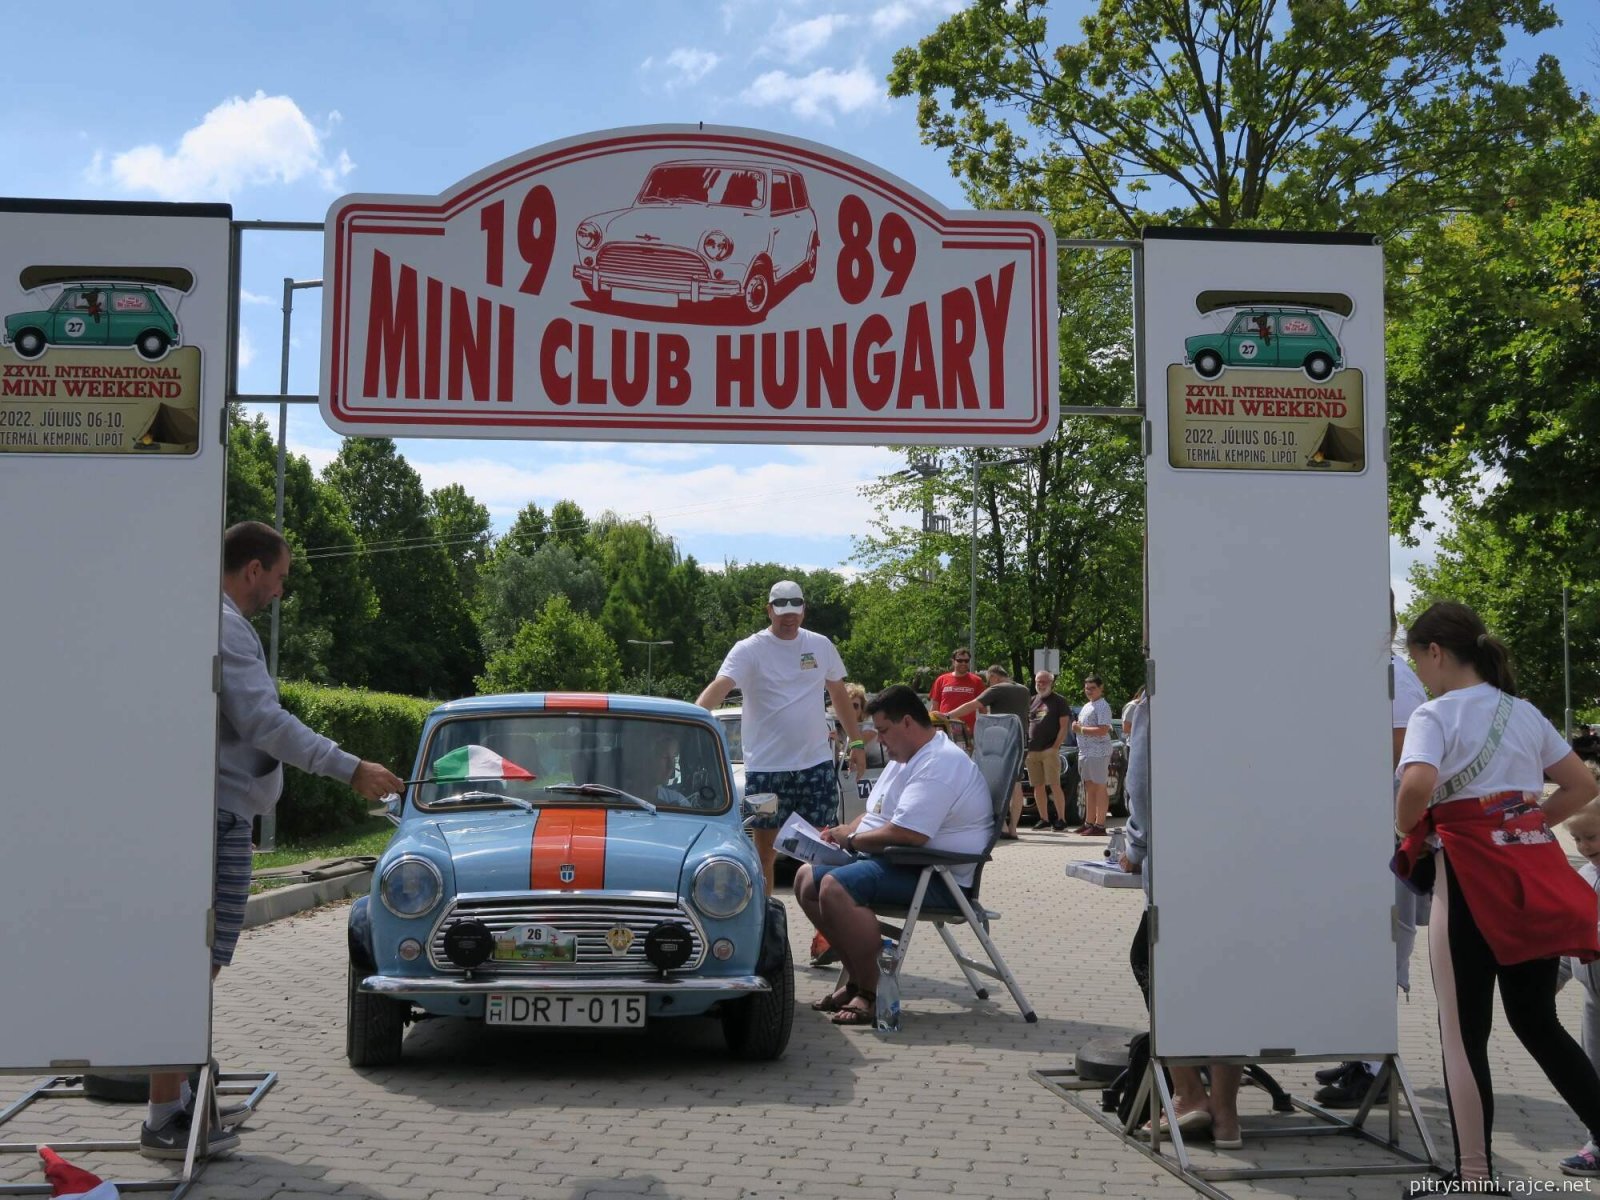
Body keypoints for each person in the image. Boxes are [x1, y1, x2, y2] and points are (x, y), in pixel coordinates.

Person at [142, 521, 404, 1161]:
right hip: (219, 817)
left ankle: (179, 1102)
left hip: (216, 812)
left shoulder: (209, 620)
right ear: (253, 569)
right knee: (195, 964)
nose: (282, 591)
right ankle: (164, 1116)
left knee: (195, 961)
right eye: (281, 577)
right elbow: (263, 722)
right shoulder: (227, 625)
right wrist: (350, 768)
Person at [1394, 601, 1600, 1190]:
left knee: (1463, 1034)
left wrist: (1406, 825)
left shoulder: (1435, 714)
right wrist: (1523, 822)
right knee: (1538, 1022)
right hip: (1529, 874)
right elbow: (1580, 784)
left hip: (1466, 882)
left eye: (1419, 661)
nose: (1421, 675)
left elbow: (1417, 784)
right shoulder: (1524, 711)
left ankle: (1474, 1176)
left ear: (1436, 652)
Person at [793, 686, 993, 1026]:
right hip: (902, 863)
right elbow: (877, 813)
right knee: (805, 878)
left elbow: (910, 834)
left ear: (908, 722)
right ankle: (855, 979)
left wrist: (851, 840)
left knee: (834, 888)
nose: (880, 739)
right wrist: (842, 832)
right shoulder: (906, 758)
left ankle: (872, 992)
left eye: (884, 730)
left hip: (935, 875)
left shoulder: (939, 763)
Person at [1316, 594, 1429, 1107]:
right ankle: (1362, 1054)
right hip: (1363, 832)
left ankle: (1377, 1069)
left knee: (1383, 944)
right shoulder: (1367, 673)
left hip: (1386, 834)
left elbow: (1403, 750)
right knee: (1360, 943)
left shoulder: (1395, 677)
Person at [1119, 689, 1244, 1149]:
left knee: (1154, 963)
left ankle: (1188, 1091)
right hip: (1243, 858)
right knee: (1228, 980)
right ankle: (1227, 1115)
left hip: (1181, 861)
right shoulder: (1251, 688)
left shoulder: (1162, 695)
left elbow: (1142, 786)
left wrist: (1135, 848)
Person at [696, 579, 865, 892]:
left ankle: (824, 921)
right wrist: (693, 717)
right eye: (782, 612)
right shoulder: (749, 649)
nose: (789, 618)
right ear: (769, 610)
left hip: (815, 766)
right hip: (766, 770)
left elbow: (838, 693)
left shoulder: (820, 645)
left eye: (795, 611)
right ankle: (762, 919)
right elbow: (721, 686)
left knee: (821, 850)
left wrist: (856, 742)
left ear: (804, 610)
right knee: (764, 854)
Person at [1558, 797, 1600, 1176]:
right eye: (1577, 839)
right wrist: (1548, 985)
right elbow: (1568, 941)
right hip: (1593, 1001)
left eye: (1592, 837)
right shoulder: (1584, 877)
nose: (1585, 847)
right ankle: (1596, 1143)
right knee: (1593, 1070)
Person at [947, 665, 1032, 835]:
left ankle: (1002, 825)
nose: (988, 683)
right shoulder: (1024, 690)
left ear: (994, 676)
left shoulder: (997, 689)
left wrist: (948, 715)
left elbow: (973, 705)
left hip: (1001, 740)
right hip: (1021, 740)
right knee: (1016, 783)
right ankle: (1013, 828)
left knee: (997, 782)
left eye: (988, 680)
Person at [1025, 671, 1073, 833]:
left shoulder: (1059, 701)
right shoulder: (1032, 700)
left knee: (1054, 784)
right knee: (1037, 786)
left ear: (1051, 683)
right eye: (1038, 681)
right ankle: (1044, 819)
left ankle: (1061, 819)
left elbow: (1064, 726)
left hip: (1049, 749)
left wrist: (1055, 747)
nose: (1040, 684)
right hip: (1032, 750)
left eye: (1044, 682)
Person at [1073, 675, 1114, 836]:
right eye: (1087, 688)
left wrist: (1081, 730)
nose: (1089, 691)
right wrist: (1076, 726)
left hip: (1098, 751)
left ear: (1100, 688)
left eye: (1093, 688)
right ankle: (1089, 822)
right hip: (1085, 751)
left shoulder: (1102, 706)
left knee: (1099, 786)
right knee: (1089, 787)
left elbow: (1103, 729)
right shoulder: (1087, 706)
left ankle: (1100, 824)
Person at [929, 647, 983, 739]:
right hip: (944, 731)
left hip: (967, 733)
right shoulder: (941, 680)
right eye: (959, 660)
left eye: (966, 661)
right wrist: (931, 728)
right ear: (953, 661)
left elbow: (983, 710)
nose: (963, 663)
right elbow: (934, 707)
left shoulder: (977, 681)